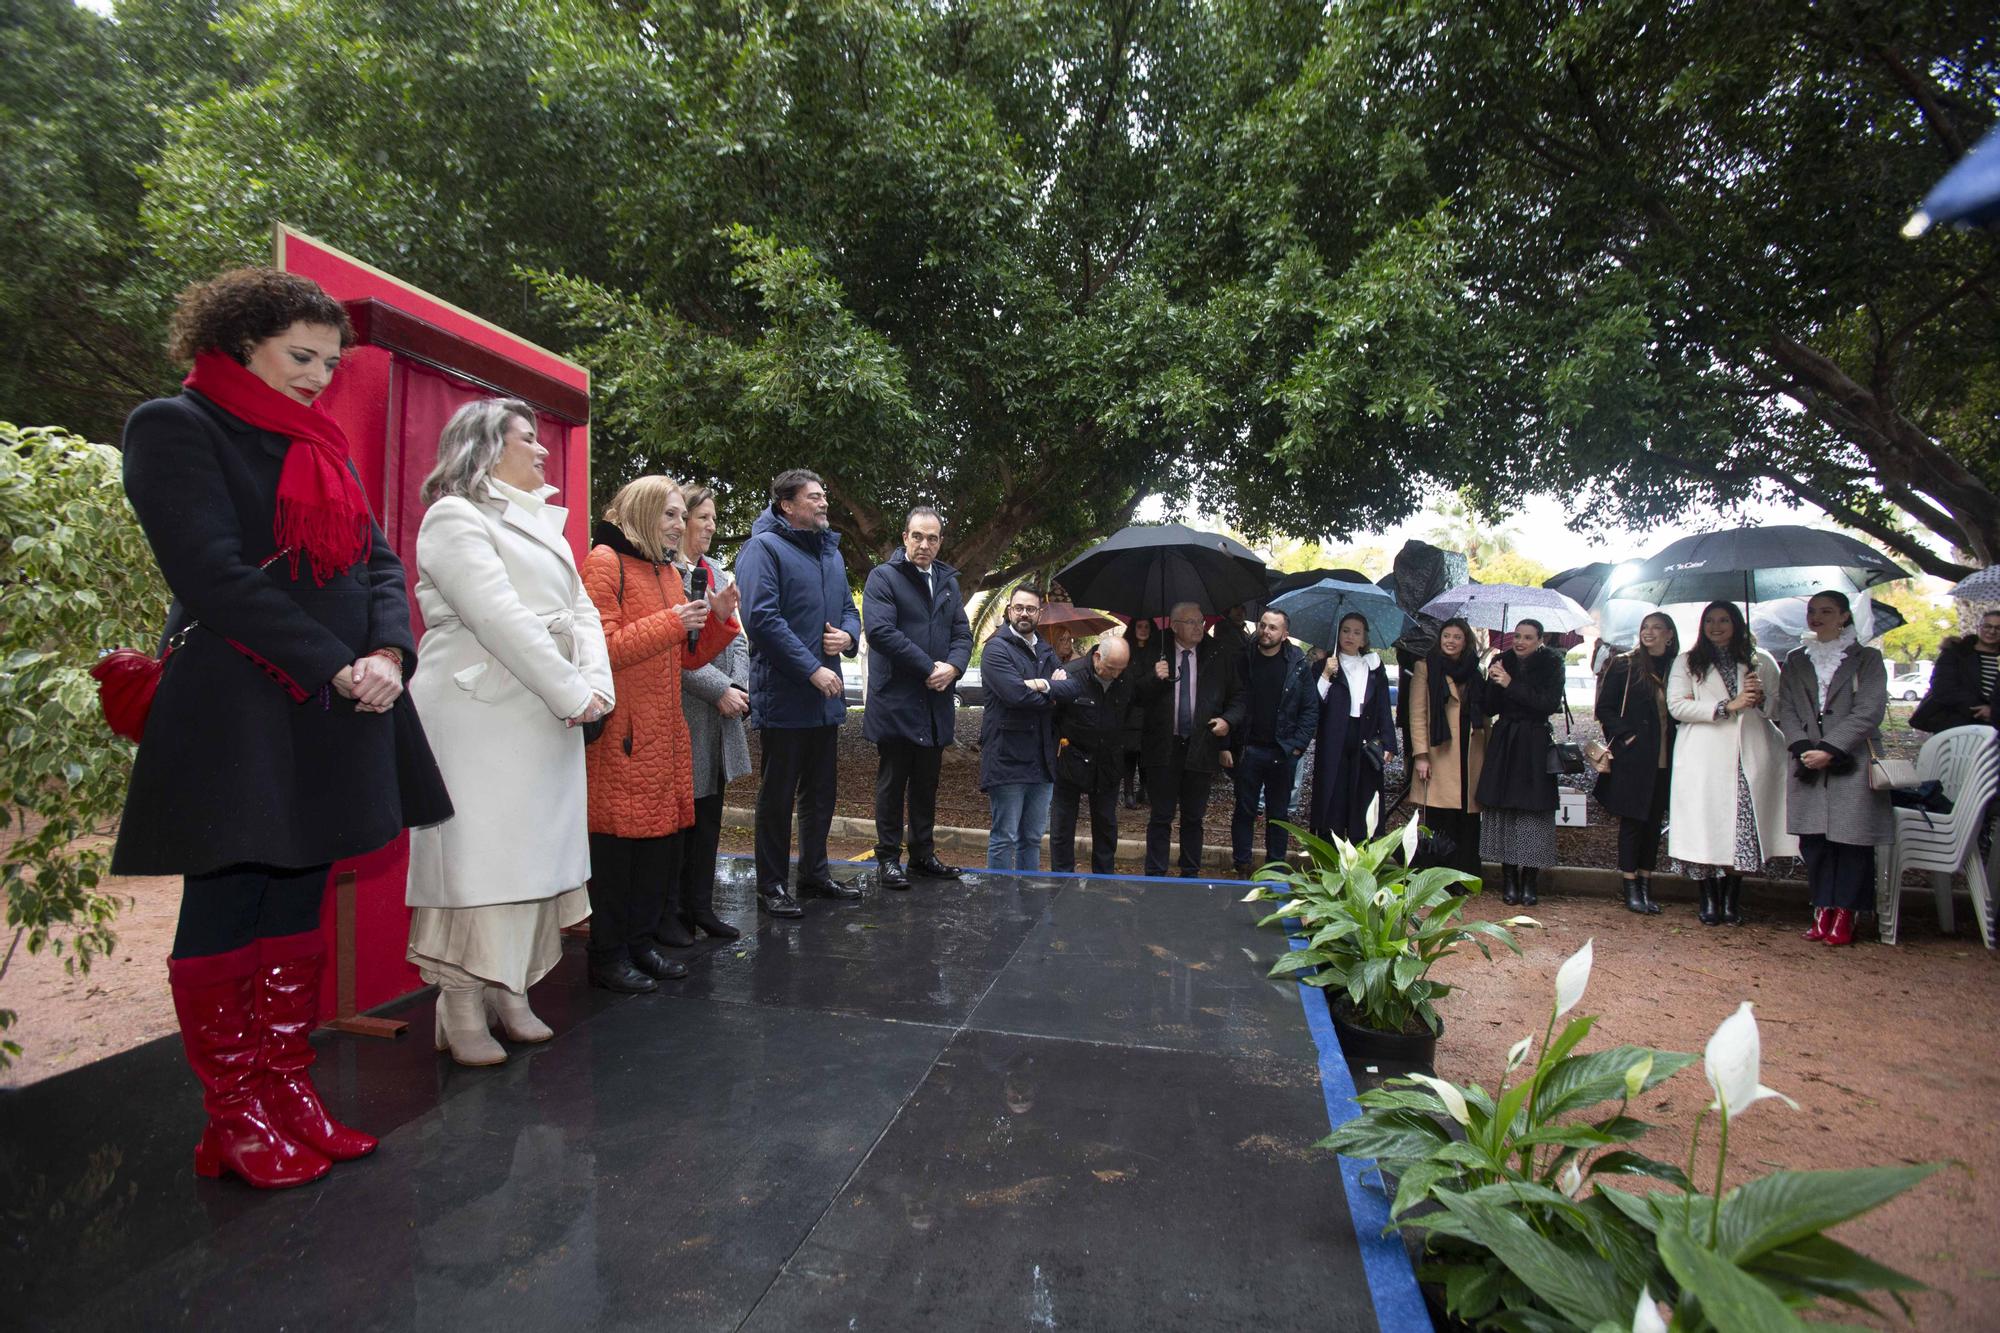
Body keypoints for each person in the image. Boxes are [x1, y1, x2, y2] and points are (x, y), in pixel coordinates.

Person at [114, 267, 451, 1187]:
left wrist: (389, 653)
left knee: (299, 895)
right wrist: (331, 661)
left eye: (329, 361)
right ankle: (233, 1112)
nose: (317, 375)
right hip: (241, 710)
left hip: (338, 704)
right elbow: (212, 574)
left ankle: (286, 1088)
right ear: (238, 342)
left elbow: (380, 562)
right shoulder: (172, 427)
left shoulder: (323, 440)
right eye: (301, 356)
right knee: (227, 898)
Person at [404, 398, 611, 1065]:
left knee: (532, 861)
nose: (543, 450)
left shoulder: (546, 528)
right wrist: (572, 690)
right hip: (480, 712)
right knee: (478, 863)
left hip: (544, 712)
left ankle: (510, 989)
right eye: (528, 437)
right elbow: (496, 616)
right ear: (486, 446)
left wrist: (596, 686)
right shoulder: (453, 516)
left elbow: (580, 612)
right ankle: (459, 1001)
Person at [581, 477, 740, 992]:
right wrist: (674, 621)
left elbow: (687, 654)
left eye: (680, 516)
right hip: (623, 735)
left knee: (656, 851)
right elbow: (600, 649)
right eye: (670, 516)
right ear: (644, 513)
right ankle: (608, 955)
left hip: (664, 734)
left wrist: (715, 620)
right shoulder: (604, 562)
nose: (678, 526)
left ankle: (642, 944)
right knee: (617, 855)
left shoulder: (668, 571)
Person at [734, 469, 863, 917]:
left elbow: (849, 610)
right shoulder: (762, 549)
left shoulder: (831, 553)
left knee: (821, 793)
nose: (824, 501)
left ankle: (813, 874)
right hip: (787, 697)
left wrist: (847, 638)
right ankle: (770, 886)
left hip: (823, 699)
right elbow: (762, 620)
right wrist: (811, 670)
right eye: (814, 496)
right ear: (787, 505)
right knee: (778, 795)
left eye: (824, 494)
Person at [862, 506, 974, 888]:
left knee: (927, 782)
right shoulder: (883, 578)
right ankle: (888, 858)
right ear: (905, 537)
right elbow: (880, 632)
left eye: (932, 538)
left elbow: (962, 633)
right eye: (917, 536)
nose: (924, 544)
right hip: (896, 699)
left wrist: (954, 668)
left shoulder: (948, 582)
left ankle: (922, 855)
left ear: (941, 542)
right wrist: (930, 667)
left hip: (935, 701)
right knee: (893, 783)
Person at [1666, 601, 1795, 926]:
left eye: (1724, 620)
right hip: (1705, 755)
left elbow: (1778, 709)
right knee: (1706, 824)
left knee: (1742, 827)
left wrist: (1762, 698)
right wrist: (1725, 706)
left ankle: (1731, 898)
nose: (1716, 626)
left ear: (1736, 623)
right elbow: (1677, 706)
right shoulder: (1688, 661)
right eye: (1710, 620)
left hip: (1748, 753)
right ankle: (1709, 896)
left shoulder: (1760, 661)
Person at [1779, 591, 1892, 948]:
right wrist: (1802, 748)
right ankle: (1822, 905)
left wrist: (1830, 748)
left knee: (1851, 839)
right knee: (1814, 841)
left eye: (1826, 611)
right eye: (1812, 611)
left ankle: (1847, 912)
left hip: (1850, 760)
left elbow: (1869, 711)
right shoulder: (1796, 660)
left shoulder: (1867, 659)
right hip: (1807, 762)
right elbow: (1788, 709)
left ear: (1843, 616)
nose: (1817, 617)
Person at [669, 485, 751, 943]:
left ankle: (701, 905)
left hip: (721, 716)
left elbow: (738, 636)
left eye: (715, 520)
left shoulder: (716, 572)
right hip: (685, 711)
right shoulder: (663, 574)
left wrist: (736, 686)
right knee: (681, 820)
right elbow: (670, 652)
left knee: (710, 814)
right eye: (703, 518)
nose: (711, 527)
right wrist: (718, 689)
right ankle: (674, 912)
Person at [1134, 601, 1245, 876]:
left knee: (1194, 818)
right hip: (1163, 747)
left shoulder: (1217, 654)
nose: (1200, 627)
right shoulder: (1154, 651)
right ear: (1174, 626)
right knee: (1161, 816)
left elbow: (1239, 697)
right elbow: (1134, 696)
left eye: (1200, 622)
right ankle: (1156, 874)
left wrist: (1227, 720)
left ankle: (1190, 874)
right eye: (1192, 622)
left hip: (1201, 745)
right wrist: (1153, 677)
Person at [1594, 613, 1680, 915]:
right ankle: (1630, 884)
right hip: (1634, 757)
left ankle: (1646, 882)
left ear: (1670, 634)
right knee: (1632, 821)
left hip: (1666, 757)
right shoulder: (1625, 664)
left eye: (1657, 628)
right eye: (1645, 627)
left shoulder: (1678, 667)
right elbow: (1604, 708)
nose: (1649, 633)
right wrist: (1627, 736)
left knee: (1654, 822)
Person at [1474, 619, 1564, 906]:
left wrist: (1511, 684)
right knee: (1505, 807)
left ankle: (1530, 879)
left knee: (1533, 809)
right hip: (1506, 740)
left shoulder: (1552, 663)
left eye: (1527, 637)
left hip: (1535, 741)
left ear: (1540, 639)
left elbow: (1548, 703)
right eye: (1517, 636)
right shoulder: (1502, 660)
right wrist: (1492, 680)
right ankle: (1509, 878)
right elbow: (1489, 708)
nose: (1520, 642)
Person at [980, 585, 1067, 870]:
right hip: (1007, 759)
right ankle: (1001, 901)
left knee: (1032, 837)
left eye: (1030, 609)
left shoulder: (1044, 648)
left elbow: (1072, 688)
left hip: (1042, 759)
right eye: (1019, 608)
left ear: (1039, 613)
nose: (1024, 614)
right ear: (1009, 611)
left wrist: (1042, 685)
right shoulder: (995, 649)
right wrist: (1052, 692)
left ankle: (1030, 898)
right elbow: (1015, 695)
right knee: (1004, 836)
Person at [1230, 609, 1319, 873]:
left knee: (1278, 815)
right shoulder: (1244, 658)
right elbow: (1232, 697)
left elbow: (1310, 709)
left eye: (1273, 628)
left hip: (1283, 751)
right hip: (1249, 749)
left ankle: (1276, 867)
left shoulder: (1297, 664)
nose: (1266, 631)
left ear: (1285, 634)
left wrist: (1298, 747)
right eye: (1263, 625)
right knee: (1244, 810)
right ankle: (1242, 864)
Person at [1406, 617, 1487, 885]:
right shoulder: (1426, 667)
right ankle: (1436, 879)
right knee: (1441, 816)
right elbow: (1417, 714)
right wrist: (1420, 755)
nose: (1450, 641)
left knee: (1467, 816)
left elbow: (1485, 712)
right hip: (1440, 751)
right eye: (1446, 636)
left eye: (1457, 637)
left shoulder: (1475, 671)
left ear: (1466, 642)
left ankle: (1465, 875)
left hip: (1470, 752)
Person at [1309, 612, 1396, 846]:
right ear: (1338, 634)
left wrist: (1388, 741)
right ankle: (1329, 853)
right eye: (1346, 630)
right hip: (1334, 737)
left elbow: (1383, 706)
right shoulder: (1324, 666)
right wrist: (1326, 674)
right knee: (1333, 796)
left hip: (1365, 736)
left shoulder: (1374, 667)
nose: (1350, 636)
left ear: (1364, 639)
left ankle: (1361, 854)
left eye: (1356, 632)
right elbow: (1313, 704)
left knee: (1363, 795)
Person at [1050, 636, 1134, 873]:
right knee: (1063, 825)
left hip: (1108, 762)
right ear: (1097, 657)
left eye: (1121, 669)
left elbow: (1128, 713)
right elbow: (1054, 718)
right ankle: (1062, 878)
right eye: (1110, 668)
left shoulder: (1125, 679)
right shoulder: (1071, 675)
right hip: (1071, 760)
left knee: (1106, 825)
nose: (1115, 675)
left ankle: (1103, 879)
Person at [1911, 607, 2000, 734]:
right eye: (1987, 626)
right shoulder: (1957, 653)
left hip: (1993, 729)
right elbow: (1942, 687)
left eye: (1998, 628)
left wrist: (1994, 712)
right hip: (1955, 724)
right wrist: (1981, 709)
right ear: (1979, 627)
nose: (1992, 631)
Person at [1120, 617, 1159, 809]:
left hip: (1151, 710)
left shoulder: (1157, 652)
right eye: (1139, 626)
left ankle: (1144, 789)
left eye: (1146, 627)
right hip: (1130, 710)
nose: (1143, 630)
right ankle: (1128, 791)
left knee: (1146, 752)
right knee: (1130, 753)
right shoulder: (1126, 651)